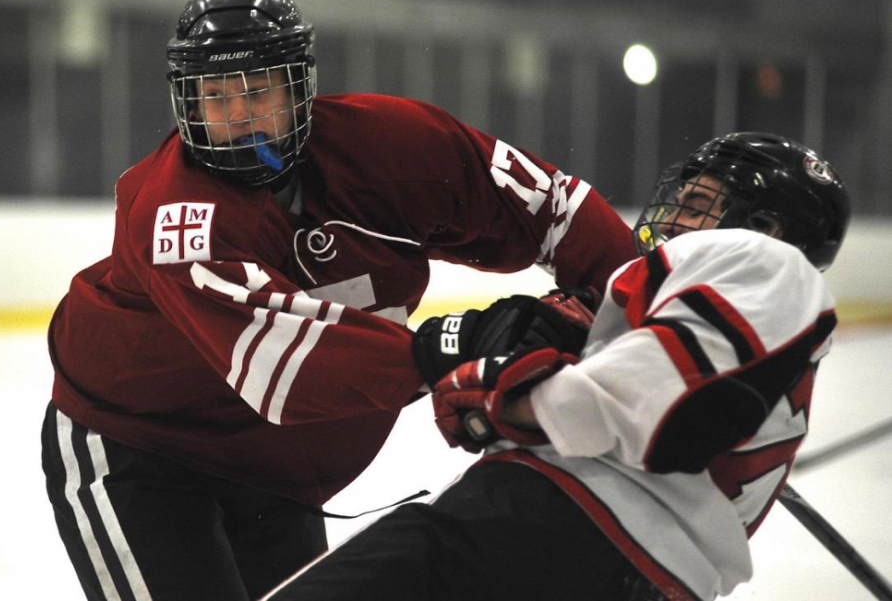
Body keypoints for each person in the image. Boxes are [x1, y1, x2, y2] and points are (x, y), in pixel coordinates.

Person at [39, 0, 636, 601]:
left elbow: (551, 207)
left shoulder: (392, 144)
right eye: (214, 96)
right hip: (139, 449)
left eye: (257, 88)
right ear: (185, 103)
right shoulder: (174, 214)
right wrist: (455, 345)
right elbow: (281, 365)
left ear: (300, 86)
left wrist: (645, 297)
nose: (237, 114)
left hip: (280, 473)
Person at [263, 132, 850, 601]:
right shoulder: (741, 315)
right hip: (616, 561)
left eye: (698, 205)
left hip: (561, 531)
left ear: (768, 229)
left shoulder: (767, 263)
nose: (670, 218)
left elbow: (661, 416)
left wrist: (513, 399)